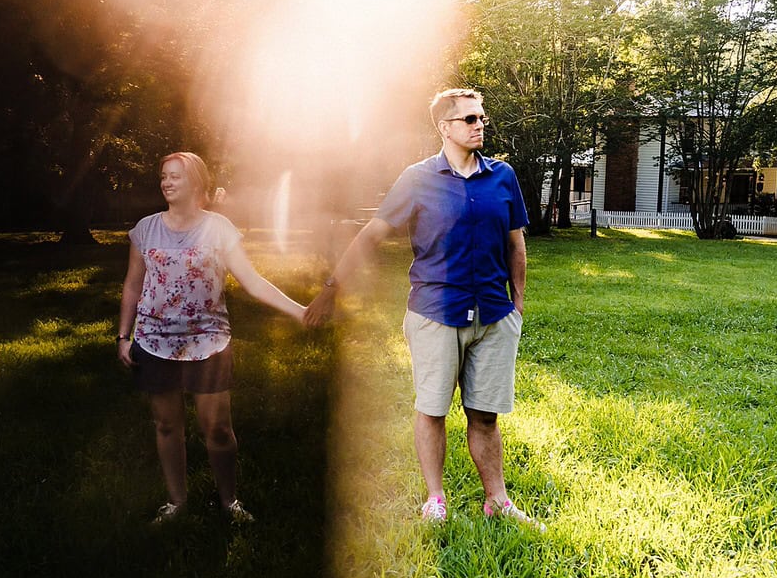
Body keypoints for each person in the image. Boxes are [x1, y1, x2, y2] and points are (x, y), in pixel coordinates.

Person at [304, 88, 538, 527]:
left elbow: (515, 243)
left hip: (492, 313)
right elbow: (371, 235)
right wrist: (332, 287)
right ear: (444, 127)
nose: (479, 125)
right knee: (433, 409)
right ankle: (436, 499)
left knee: (485, 415)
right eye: (469, 119)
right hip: (435, 311)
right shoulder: (416, 178)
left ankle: (497, 501)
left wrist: (517, 305)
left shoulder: (502, 177)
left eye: (481, 117)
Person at [120, 152, 307, 524]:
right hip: (155, 341)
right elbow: (132, 285)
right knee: (167, 425)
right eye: (163, 176)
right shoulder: (146, 229)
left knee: (218, 428)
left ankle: (229, 502)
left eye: (175, 176)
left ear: (196, 183)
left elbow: (252, 281)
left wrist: (300, 311)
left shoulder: (219, 228)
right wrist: (124, 336)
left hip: (209, 340)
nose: (166, 182)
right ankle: (177, 503)